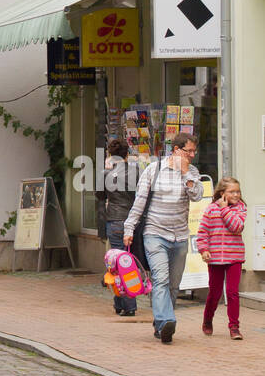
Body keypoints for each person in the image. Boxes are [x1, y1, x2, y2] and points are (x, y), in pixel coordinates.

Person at [124, 133, 203, 344]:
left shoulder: (192, 172)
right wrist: (129, 228)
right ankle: (167, 319)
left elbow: (197, 196)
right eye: (189, 151)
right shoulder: (154, 170)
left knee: (174, 285)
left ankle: (161, 324)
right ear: (176, 149)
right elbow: (140, 201)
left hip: (180, 235)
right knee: (161, 278)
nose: (192, 155)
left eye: (194, 151)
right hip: (155, 233)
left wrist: (186, 173)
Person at [197, 177, 246, 341]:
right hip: (215, 258)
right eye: (232, 191)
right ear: (222, 193)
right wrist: (204, 250)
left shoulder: (240, 208)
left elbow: (237, 226)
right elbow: (203, 232)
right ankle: (208, 319)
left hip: (235, 257)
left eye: (238, 191)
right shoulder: (211, 209)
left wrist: (225, 209)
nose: (236, 194)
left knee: (232, 293)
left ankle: (234, 327)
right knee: (215, 293)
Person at [102, 139, 140, 318]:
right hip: (132, 219)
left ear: (110, 155)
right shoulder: (136, 172)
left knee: (117, 264)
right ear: (127, 154)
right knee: (129, 261)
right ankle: (121, 302)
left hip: (115, 219)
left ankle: (127, 304)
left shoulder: (106, 174)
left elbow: (100, 196)